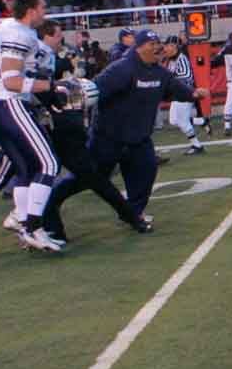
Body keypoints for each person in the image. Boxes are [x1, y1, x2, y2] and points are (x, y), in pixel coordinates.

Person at [36, 21, 150, 244]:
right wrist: (58, 92)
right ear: (46, 36)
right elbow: (39, 88)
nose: (61, 39)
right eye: (58, 35)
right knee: (81, 178)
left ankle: (47, 228)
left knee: (82, 177)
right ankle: (35, 226)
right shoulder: (40, 56)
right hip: (49, 126)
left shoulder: (48, 56)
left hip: (57, 125)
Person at [79, 31, 195, 229]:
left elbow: (174, 87)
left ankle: (133, 213)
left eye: (158, 43)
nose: (158, 47)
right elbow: (94, 91)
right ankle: (49, 205)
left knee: (147, 170)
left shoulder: (159, 72)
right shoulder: (121, 68)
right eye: (152, 44)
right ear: (139, 47)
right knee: (86, 177)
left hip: (138, 137)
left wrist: (193, 94)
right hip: (109, 136)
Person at [0, 0, 62, 251]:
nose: (45, 13)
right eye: (42, 8)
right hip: (10, 103)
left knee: (27, 168)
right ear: (31, 10)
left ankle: (26, 223)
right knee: (49, 164)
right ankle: (34, 228)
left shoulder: (6, 27)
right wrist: (53, 86)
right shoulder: (19, 34)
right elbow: (12, 81)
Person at [163, 35, 206, 155]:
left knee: (182, 121)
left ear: (177, 47)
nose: (167, 48)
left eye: (171, 45)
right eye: (167, 45)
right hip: (177, 94)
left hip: (185, 93)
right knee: (173, 120)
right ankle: (200, 121)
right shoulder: (170, 60)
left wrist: (170, 80)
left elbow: (187, 76)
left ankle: (197, 146)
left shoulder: (181, 58)